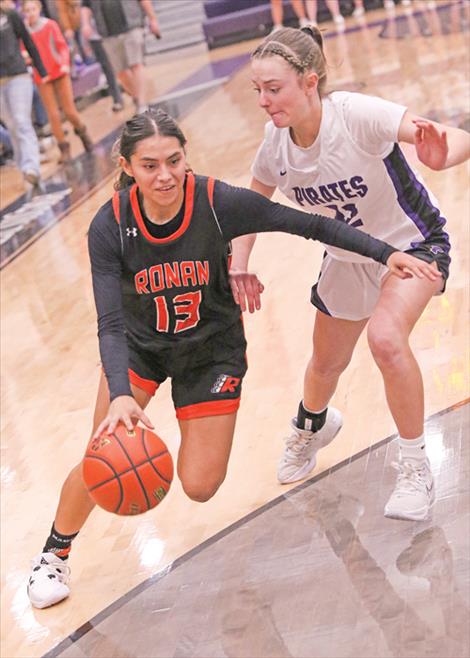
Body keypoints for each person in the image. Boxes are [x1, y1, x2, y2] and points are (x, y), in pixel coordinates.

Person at [25, 108, 439, 609]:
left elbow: (305, 224)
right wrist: (118, 397)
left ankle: (308, 418)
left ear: (186, 157)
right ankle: (54, 555)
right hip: (140, 350)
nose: (166, 175)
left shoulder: (216, 201)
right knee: (105, 456)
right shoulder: (111, 224)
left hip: (211, 351)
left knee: (200, 485)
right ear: (127, 166)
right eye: (151, 164)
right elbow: (110, 323)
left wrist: (382, 253)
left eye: (175, 160)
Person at [230, 26, 470, 521]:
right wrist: (238, 265)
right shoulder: (276, 144)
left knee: (385, 339)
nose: (263, 100)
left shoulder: (355, 114)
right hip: (349, 258)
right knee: (323, 366)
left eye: (273, 89)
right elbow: (250, 208)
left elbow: (458, 138)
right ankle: (311, 425)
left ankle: (414, 467)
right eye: (258, 90)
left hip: (413, 245)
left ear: (310, 82)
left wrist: (441, 155)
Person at [22, 0, 93, 163]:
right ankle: (64, 148)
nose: (31, 13)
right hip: (42, 76)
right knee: (53, 115)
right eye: (27, 10)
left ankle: (82, 131)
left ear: (39, 9)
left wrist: (64, 64)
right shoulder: (25, 32)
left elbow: (62, 46)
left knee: (69, 111)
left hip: (59, 72)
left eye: (33, 9)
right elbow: (23, 51)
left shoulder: (50, 25)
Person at [0, 0, 47, 197]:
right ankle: (24, 168)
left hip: (18, 75)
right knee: (11, 126)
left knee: (21, 121)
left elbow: (27, 40)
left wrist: (41, 69)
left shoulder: (10, 15)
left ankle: (32, 168)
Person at [80, 0, 160, 115]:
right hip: (107, 33)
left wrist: (153, 19)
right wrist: (86, 24)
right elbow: (86, 6)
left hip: (132, 26)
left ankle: (142, 103)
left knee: (136, 64)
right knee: (120, 73)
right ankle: (137, 97)